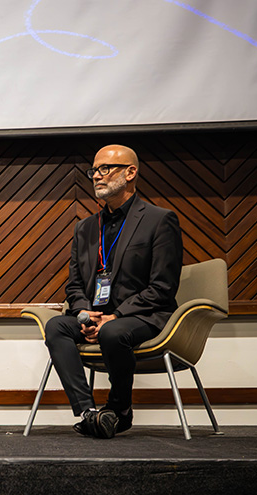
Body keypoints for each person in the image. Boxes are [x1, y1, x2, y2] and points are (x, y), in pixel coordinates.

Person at [44, 144, 182, 438]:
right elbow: (74, 284)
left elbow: (163, 287)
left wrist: (115, 316)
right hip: (96, 315)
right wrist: (84, 313)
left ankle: (119, 410)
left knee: (113, 332)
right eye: (94, 170)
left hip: (143, 315)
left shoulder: (159, 219)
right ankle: (88, 412)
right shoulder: (85, 228)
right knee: (56, 326)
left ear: (131, 172)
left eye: (106, 168)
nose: (96, 176)